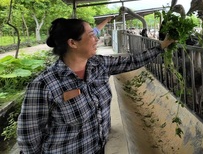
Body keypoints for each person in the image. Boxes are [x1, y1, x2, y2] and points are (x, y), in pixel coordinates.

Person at [17, 17, 175, 154]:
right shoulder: (44, 85)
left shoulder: (99, 65)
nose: (96, 39)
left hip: (98, 148)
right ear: (72, 43)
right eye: (91, 35)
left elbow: (132, 61)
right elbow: (28, 138)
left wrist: (162, 45)